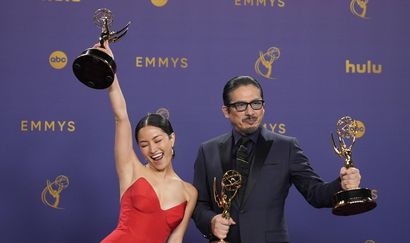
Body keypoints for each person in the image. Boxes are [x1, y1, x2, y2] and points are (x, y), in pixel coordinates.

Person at [192, 75, 361, 243]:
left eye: (256, 103)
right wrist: (211, 221)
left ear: (263, 107)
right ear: (226, 111)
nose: (250, 112)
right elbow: (199, 205)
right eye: (241, 105)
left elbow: (315, 193)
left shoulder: (286, 147)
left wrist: (342, 184)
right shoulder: (208, 150)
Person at [96, 42, 197, 243]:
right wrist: (110, 70)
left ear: (172, 138)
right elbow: (121, 116)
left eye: (158, 140)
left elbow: (175, 241)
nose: (153, 149)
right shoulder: (131, 169)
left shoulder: (189, 192)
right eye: (143, 144)